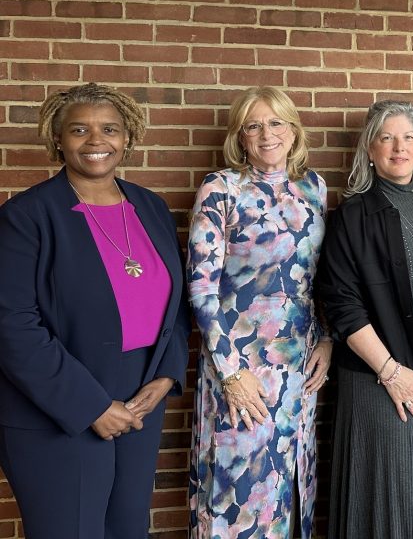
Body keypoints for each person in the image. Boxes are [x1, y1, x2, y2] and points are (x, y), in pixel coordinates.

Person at [0, 82, 189, 538]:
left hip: (141, 397)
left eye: (110, 129)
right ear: (58, 139)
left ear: (128, 137)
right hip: (58, 404)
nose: (96, 141)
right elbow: (12, 325)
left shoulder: (151, 207)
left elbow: (176, 305)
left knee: (126, 529)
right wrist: (91, 406)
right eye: (79, 130)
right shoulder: (26, 217)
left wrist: (165, 376)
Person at [316, 100, 413, 538]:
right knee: (395, 496)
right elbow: (343, 305)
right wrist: (390, 371)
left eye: (408, 137)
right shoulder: (351, 216)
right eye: (386, 137)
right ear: (369, 148)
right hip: (379, 376)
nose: (398, 147)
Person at [187, 86, 330, 538]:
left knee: (290, 488)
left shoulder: (314, 187)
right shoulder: (222, 188)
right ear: (240, 137)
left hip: (299, 369)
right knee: (239, 493)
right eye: (254, 125)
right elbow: (201, 287)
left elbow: (319, 276)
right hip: (240, 368)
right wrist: (230, 372)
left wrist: (326, 338)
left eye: (276, 123)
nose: (266, 134)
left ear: (293, 131)